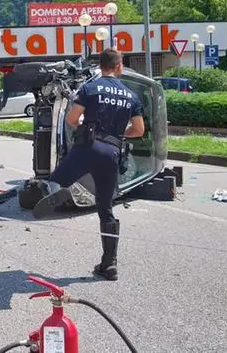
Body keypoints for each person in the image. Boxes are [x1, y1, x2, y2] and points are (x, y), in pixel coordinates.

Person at [31, 48, 145, 281]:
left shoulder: (90, 88)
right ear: (119, 65)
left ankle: (63, 190)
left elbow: (72, 119)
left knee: (53, 181)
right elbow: (139, 130)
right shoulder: (131, 96)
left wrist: (83, 121)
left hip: (88, 147)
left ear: (101, 65)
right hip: (112, 152)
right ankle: (109, 265)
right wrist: (118, 133)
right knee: (106, 209)